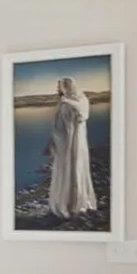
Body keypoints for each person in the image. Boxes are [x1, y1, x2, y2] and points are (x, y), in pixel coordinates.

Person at [46, 75, 97, 218]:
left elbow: (77, 118)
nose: (57, 89)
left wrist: (68, 102)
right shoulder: (71, 102)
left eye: (60, 86)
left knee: (72, 169)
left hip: (72, 143)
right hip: (70, 143)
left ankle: (73, 204)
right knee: (70, 170)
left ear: (67, 87)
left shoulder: (72, 102)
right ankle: (70, 203)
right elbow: (60, 124)